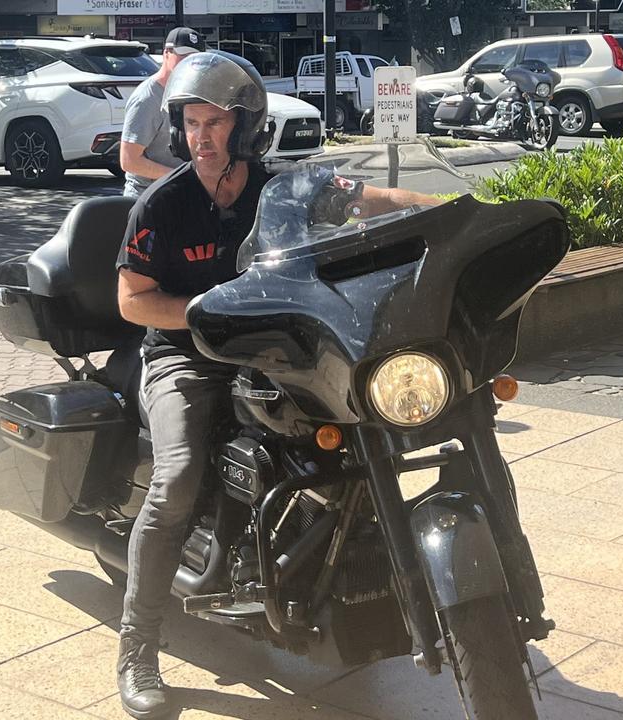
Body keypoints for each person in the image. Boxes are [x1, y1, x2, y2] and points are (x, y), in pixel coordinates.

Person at [112, 50, 439, 719]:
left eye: (215, 122)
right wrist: (203, 315)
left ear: (248, 126)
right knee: (176, 478)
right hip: (187, 358)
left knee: (362, 431)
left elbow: (370, 199)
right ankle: (137, 647)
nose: (201, 136)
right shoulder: (162, 204)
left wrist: (447, 212)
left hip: (272, 353)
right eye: (191, 122)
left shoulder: (280, 187)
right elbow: (132, 300)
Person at [119, 27, 207, 197]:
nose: (188, 62)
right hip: (149, 197)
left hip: (181, 193)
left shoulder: (191, 93)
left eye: (194, 58)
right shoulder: (147, 98)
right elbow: (129, 160)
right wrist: (181, 177)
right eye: (182, 55)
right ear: (166, 53)